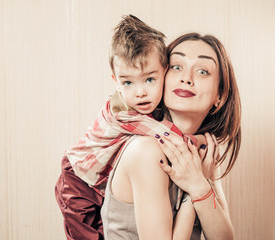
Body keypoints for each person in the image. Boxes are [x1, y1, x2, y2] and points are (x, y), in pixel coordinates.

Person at [55, 15, 202, 240]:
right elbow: (168, 137)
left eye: (149, 80)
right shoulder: (124, 112)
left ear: (165, 71)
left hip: (98, 180)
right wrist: (197, 142)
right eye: (128, 83)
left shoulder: (148, 108)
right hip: (77, 181)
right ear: (115, 81)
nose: (140, 92)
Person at [101, 33, 241, 240]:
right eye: (176, 67)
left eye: (202, 71)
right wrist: (195, 185)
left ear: (219, 96)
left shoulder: (203, 149)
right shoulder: (146, 151)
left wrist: (199, 185)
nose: (186, 78)